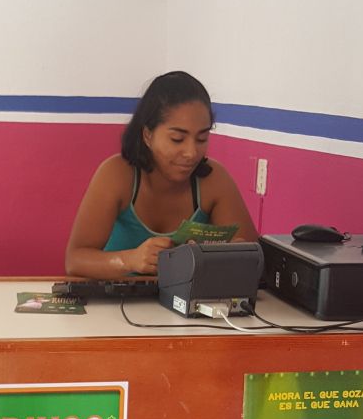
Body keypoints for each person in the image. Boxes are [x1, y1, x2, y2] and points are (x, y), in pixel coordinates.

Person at [65, 70, 257, 279]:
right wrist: (130, 260)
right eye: (177, 139)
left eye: (202, 139)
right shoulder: (117, 175)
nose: (191, 153)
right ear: (148, 135)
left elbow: (254, 260)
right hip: (118, 297)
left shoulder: (214, 180)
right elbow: (75, 260)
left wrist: (233, 256)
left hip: (186, 299)